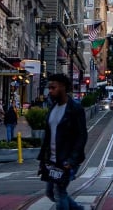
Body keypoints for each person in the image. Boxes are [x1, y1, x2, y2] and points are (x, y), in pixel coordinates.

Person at [38, 73, 87, 210]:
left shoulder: (75, 109)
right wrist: (43, 160)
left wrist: (71, 161)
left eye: (53, 87)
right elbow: (48, 137)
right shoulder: (53, 108)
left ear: (63, 87)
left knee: (59, 192)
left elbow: (81, 136)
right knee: (50, 192)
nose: (50, 91)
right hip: (52, 160)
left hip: (65, 160)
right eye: (49, 88)